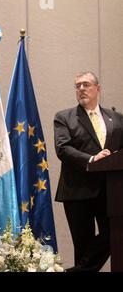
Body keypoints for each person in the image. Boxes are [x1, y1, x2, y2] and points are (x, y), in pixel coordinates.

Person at [54, 71, 123, 272]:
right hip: (77, 191)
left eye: (86, 84)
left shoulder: (116, 118)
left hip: (110, 191)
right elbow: (63, 149)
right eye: (77, 86)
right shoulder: (65, 117)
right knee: (83, 245)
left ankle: (77, 271)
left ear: (97, 89)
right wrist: (92, 159)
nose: (81, 89)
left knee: (115, 234)